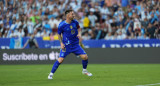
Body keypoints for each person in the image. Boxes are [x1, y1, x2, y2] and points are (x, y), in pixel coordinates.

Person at [48, 10, 92, 79]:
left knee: (85, 57)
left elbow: (79, 28)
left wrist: (79, 34)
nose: (74, 15)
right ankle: (50, 74)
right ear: (68, 15)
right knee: (60, 60)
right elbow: (59, 34)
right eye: (72, 14)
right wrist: (61, 43)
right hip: (66, 46)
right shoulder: (62, 25)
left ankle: (84, 70)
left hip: (75, 45)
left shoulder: (75, 22)